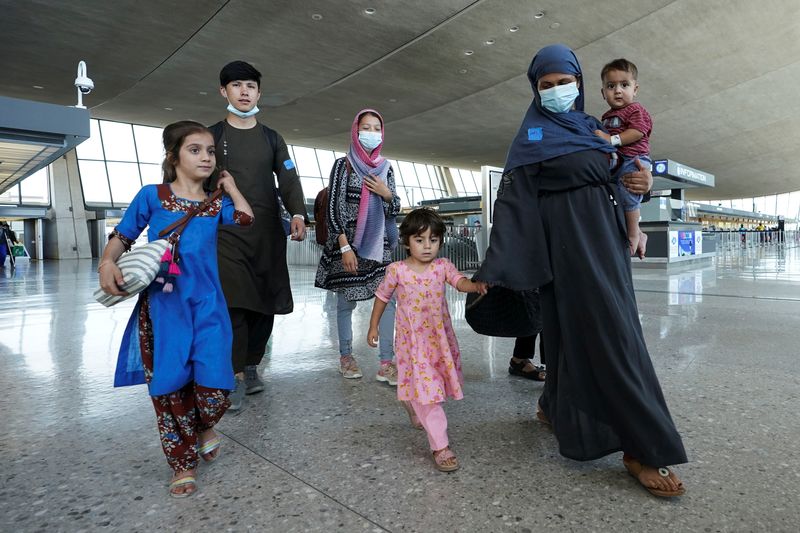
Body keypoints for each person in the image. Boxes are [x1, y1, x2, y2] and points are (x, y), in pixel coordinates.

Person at [475, 44, 687, 497]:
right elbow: (512, 204)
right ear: (535, 89)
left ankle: (555, 407)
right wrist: (496, 266)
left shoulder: (593, 126)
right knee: (613, 333)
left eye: (563, 83)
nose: (556, 91)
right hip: (565, 247)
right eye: (546, 85)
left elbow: (624, 174)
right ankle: (641, 447)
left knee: (568, 330)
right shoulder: (531, 136)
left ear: (579, 83)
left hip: (605, 240)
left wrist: (644, 184)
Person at [98, 121, 254, 498]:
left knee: (216, 384)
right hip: (165, 306)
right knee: (170, 386)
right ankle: (182, 462)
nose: (205, 157)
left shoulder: (216, 202)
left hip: (209, 304)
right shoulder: (153, 195)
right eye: (195, 150)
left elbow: (246, 218)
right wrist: (107, 263)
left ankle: (204, 426)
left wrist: (230, 186)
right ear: (174, 157)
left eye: (210, 151)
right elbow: (123, 235)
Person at [209, 61, 308, 411]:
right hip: (226, 233)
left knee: (265, 301)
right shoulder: (212, 136)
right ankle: (232, 374)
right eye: (237, 85)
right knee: (234, 300)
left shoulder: (271, 137)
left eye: (250, 86)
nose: (244, 91)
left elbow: (289, 178)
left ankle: (251, 365)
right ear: (224, 91)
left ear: (259, 92)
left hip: (267, 232)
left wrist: (297, 212)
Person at [367, 208, 487, 472]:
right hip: (412, 345)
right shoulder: (397, 270)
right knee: (430, 395)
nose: (427, 246)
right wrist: (373, 326)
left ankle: (410, 403)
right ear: (407, 241)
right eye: (419, 240)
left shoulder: (442, 267)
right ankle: (440, 446)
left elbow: (460, 282)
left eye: (433, 240)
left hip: (438, 342)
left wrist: (475, 286)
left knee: (429, 386)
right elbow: (383, 297)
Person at [315, 109, 401, 384]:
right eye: (366, 127)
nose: (371, 133)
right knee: (345, 302)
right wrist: (344, 247)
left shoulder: (386, 168)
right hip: (348, 244)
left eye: (377, 128)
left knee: (388, 301)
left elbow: (395, 207)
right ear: (355, 131)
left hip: (379, 245)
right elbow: (332, 208)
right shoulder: (343, 165)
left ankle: (386, 362)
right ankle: (346, 356)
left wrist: (386, 194)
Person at [593, 58, 652, 257]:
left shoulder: (636, 110)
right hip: (616, 162)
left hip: (633, 159)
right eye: (611, 86)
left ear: (635, 89)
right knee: (614, 196)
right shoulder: (606, 116)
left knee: (628, 194)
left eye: (624, 85)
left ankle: (635, 234)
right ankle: (636, 232)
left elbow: (637, 132)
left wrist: (611, 139)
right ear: (603, 93)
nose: (617, 91)